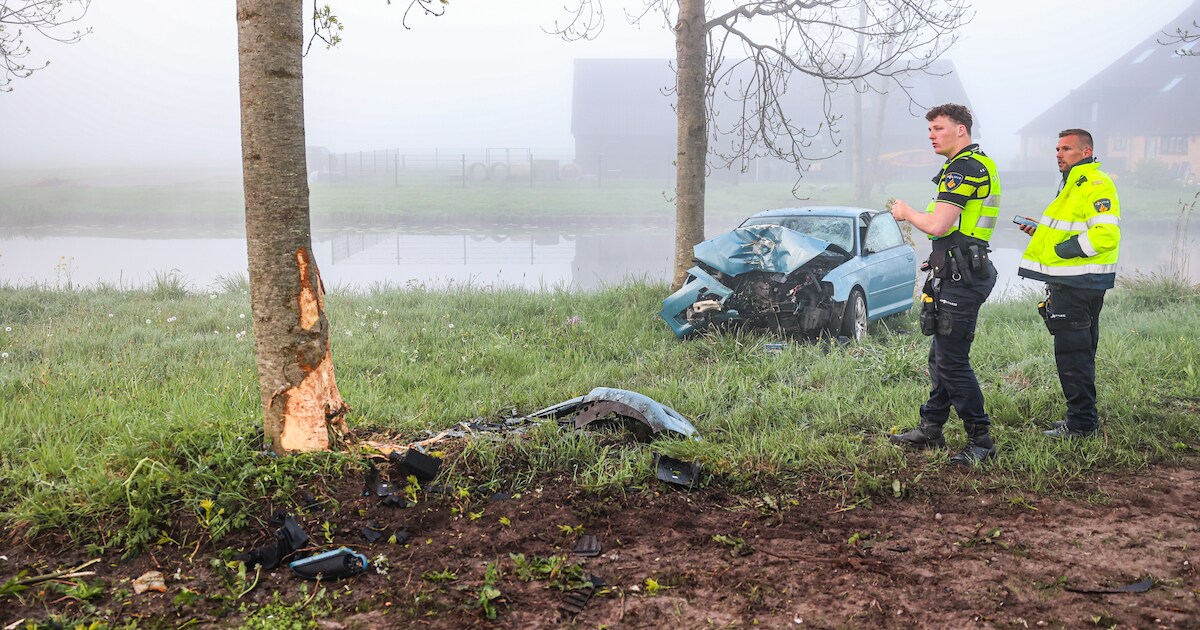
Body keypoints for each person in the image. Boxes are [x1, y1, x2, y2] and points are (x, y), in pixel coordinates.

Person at [887, 103, 1001, 466]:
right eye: (930, 130)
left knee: (952, 362)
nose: (932, 136)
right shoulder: (971, 164)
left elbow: (938, 224)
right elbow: (952, 229)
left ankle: (981, 441)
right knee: (940, 358)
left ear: (960, 130)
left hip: (963, 278)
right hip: (956, 269)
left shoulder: (964, 168)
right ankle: (931, 429)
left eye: (938, 128)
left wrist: (906, 213)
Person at [1017, 129, 1120, 438]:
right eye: (1057, 149)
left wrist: (1064, 249)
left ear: (1086, 152)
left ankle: (1081, 425)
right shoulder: (1073, 183)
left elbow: (1105, 235)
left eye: (1066, 149)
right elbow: (1072, 228)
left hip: (1078, 284)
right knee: (1079, 353)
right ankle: (1081, 418)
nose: (1058, 154)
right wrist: (1042, 232)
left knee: (1073, 356)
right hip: (1076, 282)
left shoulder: (1094, 183)